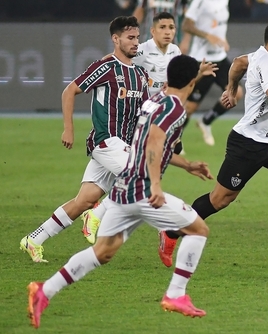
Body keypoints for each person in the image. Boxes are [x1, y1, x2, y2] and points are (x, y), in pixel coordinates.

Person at [27, 55, 212, 329]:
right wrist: (156, 185)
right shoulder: (174, 108)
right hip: (143, 190)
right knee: (198, 230)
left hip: (123, 190)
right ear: (193, 81)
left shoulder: (156, 100)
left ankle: (44, 291)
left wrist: (187, 165)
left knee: (102, 252)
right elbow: (154, 142)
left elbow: (148, 143)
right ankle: (176, 294)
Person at [159, 19, 268, 266]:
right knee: (220, 199)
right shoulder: (267, 63)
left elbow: (239, 62)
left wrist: (231, 89)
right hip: (248, 144)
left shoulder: (261, 57)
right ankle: (171, 232)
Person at [80, 12, 218, 246]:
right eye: (162, 27)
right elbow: (115, 59)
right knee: (141, 168)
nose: (167, 31)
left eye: (171, 27)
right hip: (146, 114)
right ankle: (98, 213)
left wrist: (199, 72)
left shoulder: (175, 51)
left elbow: (180, 77)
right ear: (152, 31)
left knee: (153, 164)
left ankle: (104, 212)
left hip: (166, 113)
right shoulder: (141, 49)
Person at [19, 16, 150, 263]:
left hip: (124, 147)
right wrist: (68, 129)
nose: (135, 43)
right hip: (105, 140)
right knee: (139, 178)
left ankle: (34, 239)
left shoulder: (140, 75)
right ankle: (97, 215)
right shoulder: (106, 67)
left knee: (84, 200)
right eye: (130, 38)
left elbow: (143, 114)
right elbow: (70, 90)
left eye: (137, 38)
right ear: (116, 39)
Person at [182, 0, 244, 147]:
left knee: (236, 93)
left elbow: (219, 23)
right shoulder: (199, 1)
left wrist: (222, 39)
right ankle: (176, 139)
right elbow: (187, 25)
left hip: (220, 59)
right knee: (190, 107)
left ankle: (205, 121)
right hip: (202, 60)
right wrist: (208, 36)